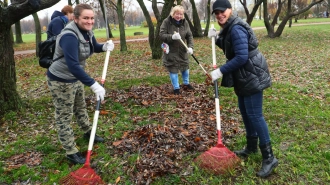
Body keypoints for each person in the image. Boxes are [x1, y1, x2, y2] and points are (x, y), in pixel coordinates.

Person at [208, 0, 278, 178]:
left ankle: (269, 158)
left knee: (255, 115)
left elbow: (241, 56)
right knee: (246, 113)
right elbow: (230, 46)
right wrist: (216, 38)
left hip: (251, 75)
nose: (219, 15)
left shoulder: (236, 27)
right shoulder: (230, 27)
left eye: (222, 11)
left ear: (230, 10)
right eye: (216, 13)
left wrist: (220, 71)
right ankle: (252, 147)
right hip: (244, 76)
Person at [47, 4, 114, 165]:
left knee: (80, 106)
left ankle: (87, 132)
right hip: (60, 79)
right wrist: (93, 84)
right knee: (64, 115)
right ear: (75, 18)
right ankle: (71, 151)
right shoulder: (69, 36)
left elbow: (93, 47)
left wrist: (104, 47)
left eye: (91, 18)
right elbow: (73, 64)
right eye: (85, 18)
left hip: (75, 77)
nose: (89, 21)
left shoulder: (87, 32)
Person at [159, 5, 194, 95]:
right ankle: (176, 88)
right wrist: (172, 37)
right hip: (171, 51)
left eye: (181, 14)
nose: (179, 16)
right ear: (173, 14)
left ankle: (186, 83)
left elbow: (189, 36)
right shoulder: (166, 22)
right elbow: (161, 35)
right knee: (173, 69)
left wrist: (190, 47)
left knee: (185, 67)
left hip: (183, 50)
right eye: (177, 14)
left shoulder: (185, 23)